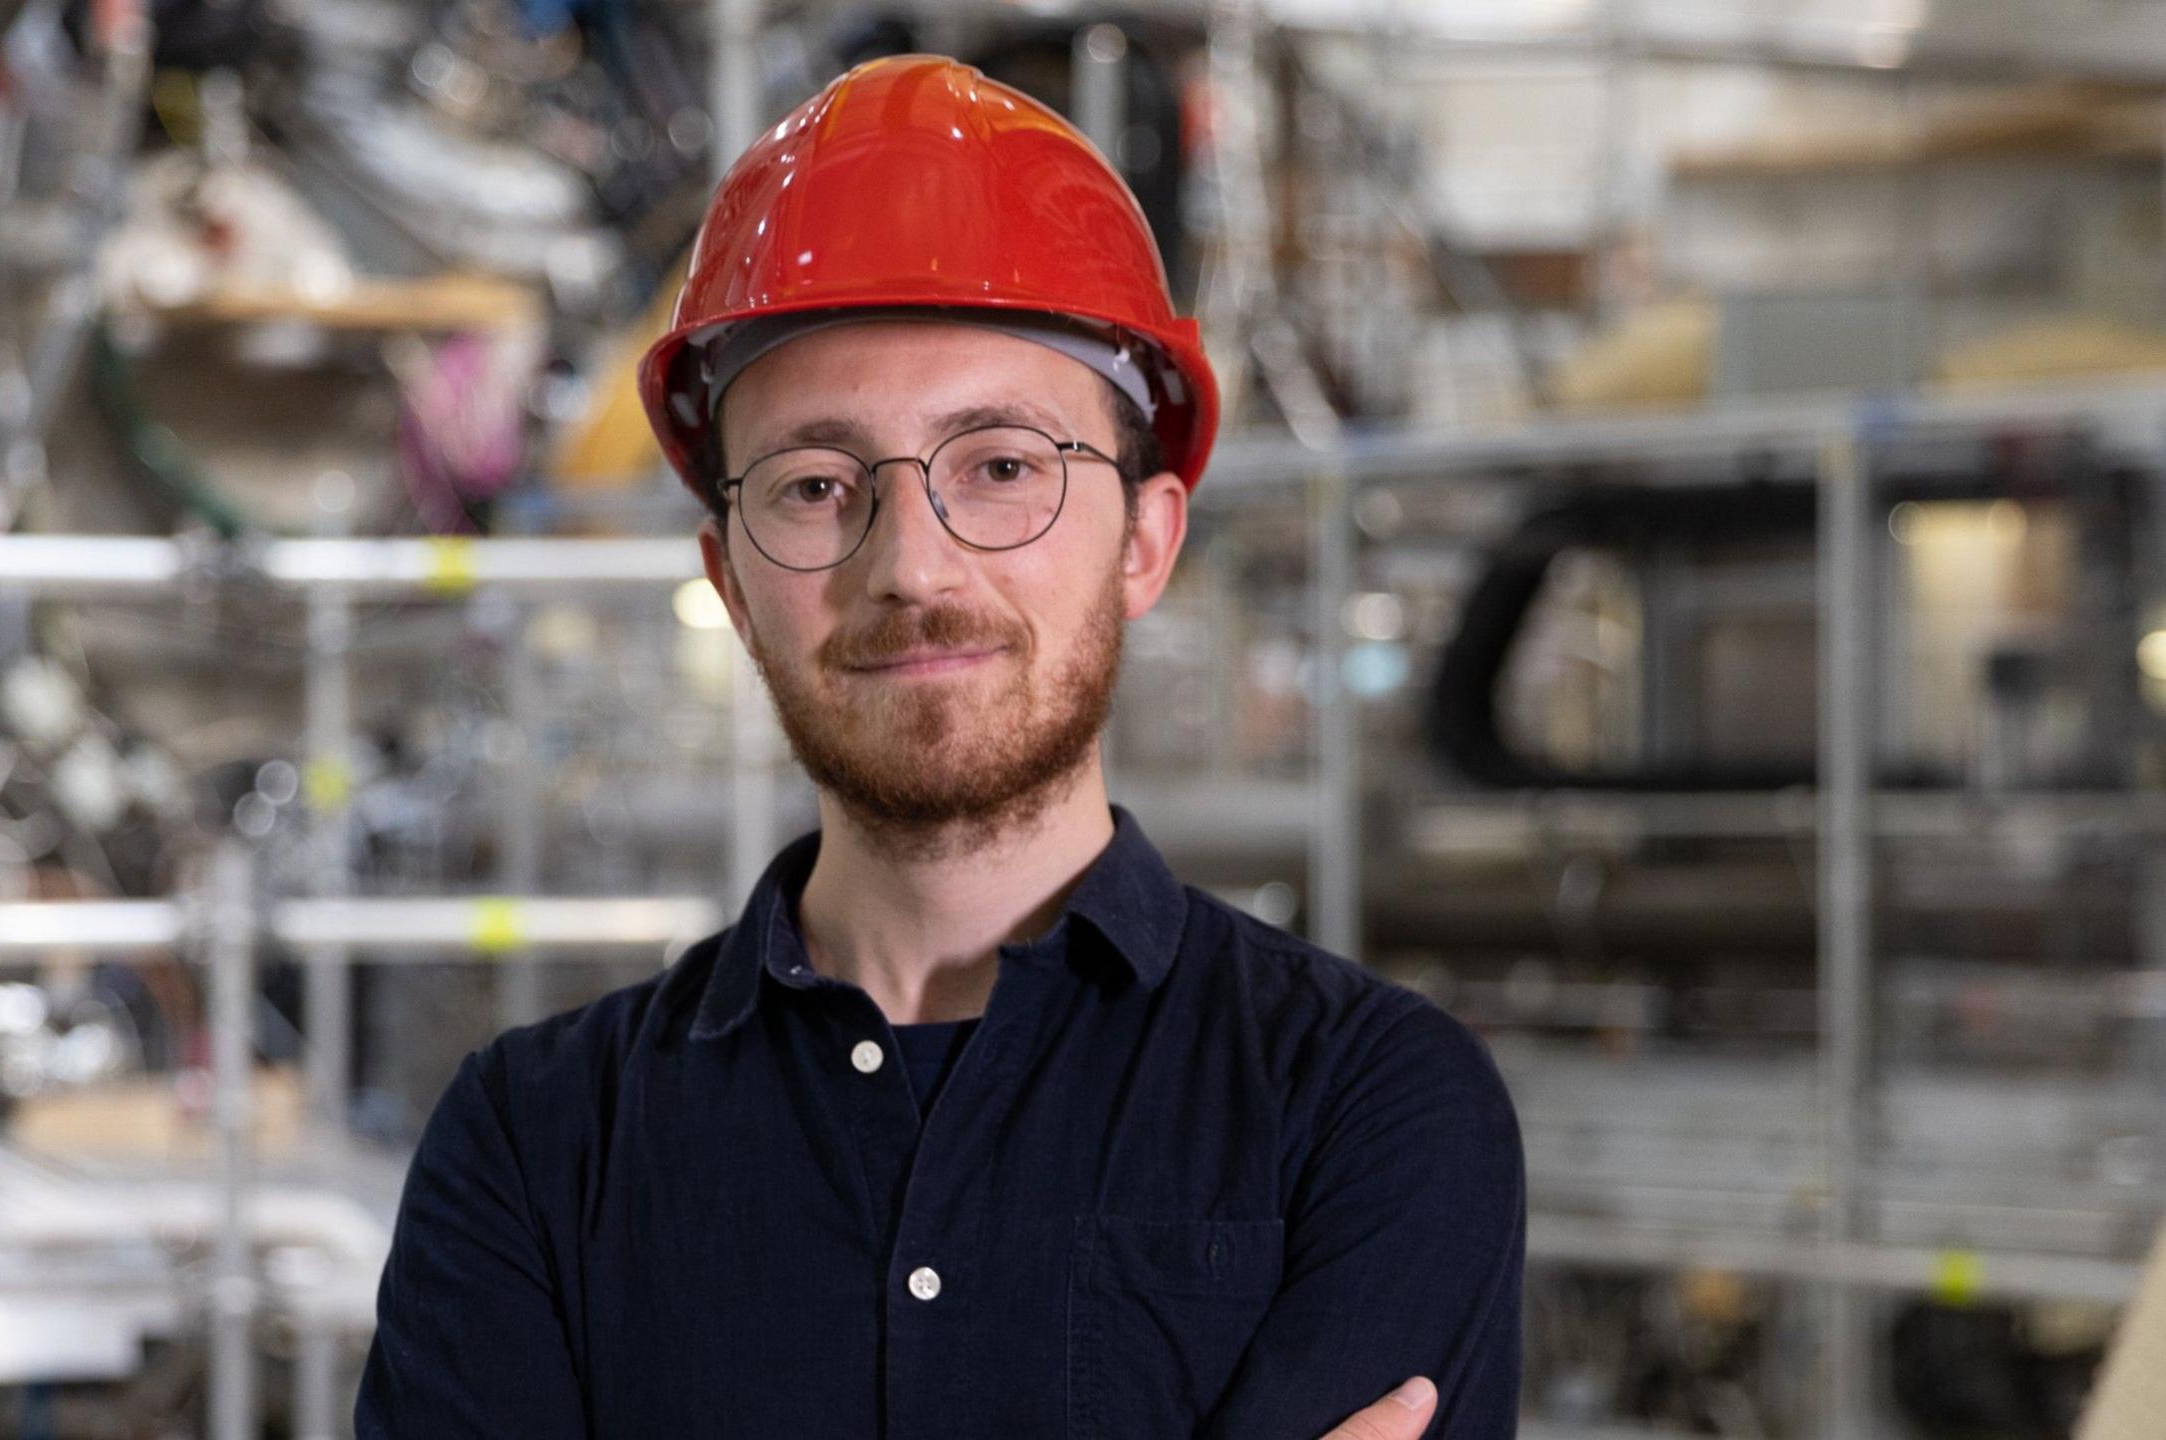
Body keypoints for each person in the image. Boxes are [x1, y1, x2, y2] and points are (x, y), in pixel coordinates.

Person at [355, 54, 1523, 1440]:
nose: (910, 564)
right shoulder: (538, 1151)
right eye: (814, 485)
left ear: (1145, 544)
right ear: (728, 581)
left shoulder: (1371, 1113)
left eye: (1004, 467)